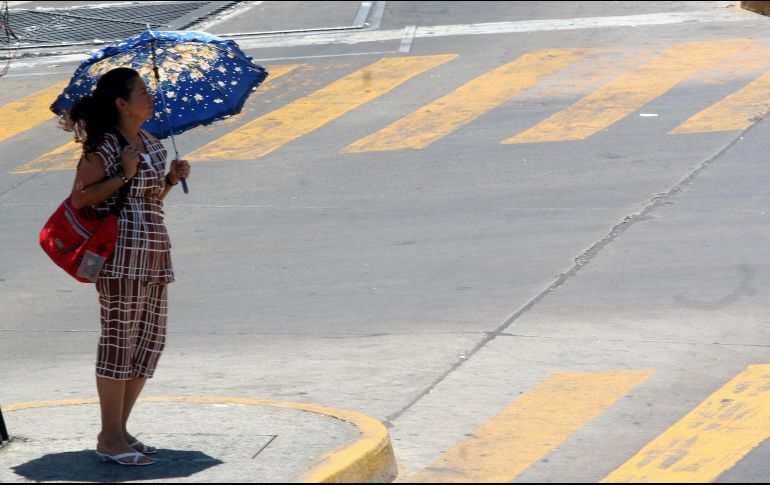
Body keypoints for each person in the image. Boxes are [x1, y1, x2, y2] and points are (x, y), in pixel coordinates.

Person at [64, 67, 190, 466]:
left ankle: (119, 431)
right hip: (120, 259)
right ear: (121, 104)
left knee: (148, 345)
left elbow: (151, 200)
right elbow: (80, 199)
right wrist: (123, 173)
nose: (149, 97)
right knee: (119, 345)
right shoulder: (104, 146)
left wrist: (170, 178)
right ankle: (109, 436)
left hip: (154, 252)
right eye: (141, 92)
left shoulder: (152, 143)